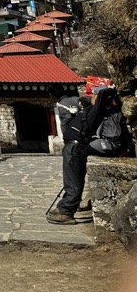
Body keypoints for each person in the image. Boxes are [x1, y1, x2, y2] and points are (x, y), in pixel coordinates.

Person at [47, 83, 117, 224]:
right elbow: (84, 100)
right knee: (71, 181)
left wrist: (110, 89)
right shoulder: (90, 107)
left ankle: (66, 212)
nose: (92, 96)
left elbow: (101, 95)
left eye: (95, 94)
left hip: (75, 147)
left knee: (73, 183)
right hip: (73, 146)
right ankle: (64, 206)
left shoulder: (98, 108)